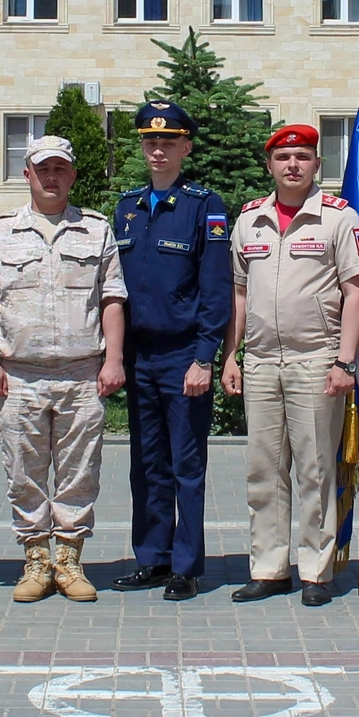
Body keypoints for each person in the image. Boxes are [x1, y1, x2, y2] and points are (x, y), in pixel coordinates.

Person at [0, 135, 129, 603]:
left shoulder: (96, 231)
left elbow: (112, 299)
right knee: (23, 471)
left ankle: (70, 559)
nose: (52, 177)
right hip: (20, 375)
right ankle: (36, 559)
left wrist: (114, 359)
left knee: (81, 472)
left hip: (81, 373)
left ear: (73, 175)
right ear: (27, 175)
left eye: (61, 168)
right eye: (44, 169)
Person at [222, 123, 359, 606]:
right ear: (270, 164)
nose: (292, 166)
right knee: (263, 470)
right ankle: (268, 567)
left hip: (316, 360)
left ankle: (316, 570)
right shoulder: (249, 220)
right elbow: (239, 295)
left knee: (315, 470)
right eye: (284, 158)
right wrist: (231, 355)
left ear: (316, 166)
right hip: (262, 361)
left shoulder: (338, 219)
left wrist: (345, 361)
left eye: (303, 158)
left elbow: (355, 292)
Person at [111, 101, 233, 602]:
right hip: (139, 356)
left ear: (186, 147)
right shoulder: (128, 207)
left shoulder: (205, 205)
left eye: (169, 142)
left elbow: (216, 289)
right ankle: (152, 558)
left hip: (184, 356)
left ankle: (186, 565)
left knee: (186, 465)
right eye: (150, 141)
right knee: (147, 463)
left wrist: (205, 357)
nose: (158, 149)